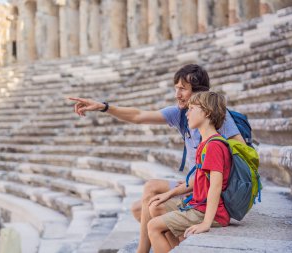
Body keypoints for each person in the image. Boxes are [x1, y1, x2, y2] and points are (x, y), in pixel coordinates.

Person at [69, 64, 244, 253]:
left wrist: (203, 180)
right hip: (196, 183)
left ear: (198, 92)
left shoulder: (219, 119)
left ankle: (143, 251)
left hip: (212, 192)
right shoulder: (181, 113)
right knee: (139, 209)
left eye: (182, 89)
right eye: (176, 88)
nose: (177, 94)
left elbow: (241, 153)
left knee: (154, 209)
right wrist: (104, 107)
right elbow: (138, 116)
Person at [147, 91, 231, 253]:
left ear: (206, 112)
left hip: (207, 211)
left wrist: (206, 223)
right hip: (198, 205)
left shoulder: (214, 146)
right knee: (156, 207)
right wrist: (169, 194)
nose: (187, 113)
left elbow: (215, 185)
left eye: (191, 108)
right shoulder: (205, 143)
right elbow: (199, 179)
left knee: (153, 226)